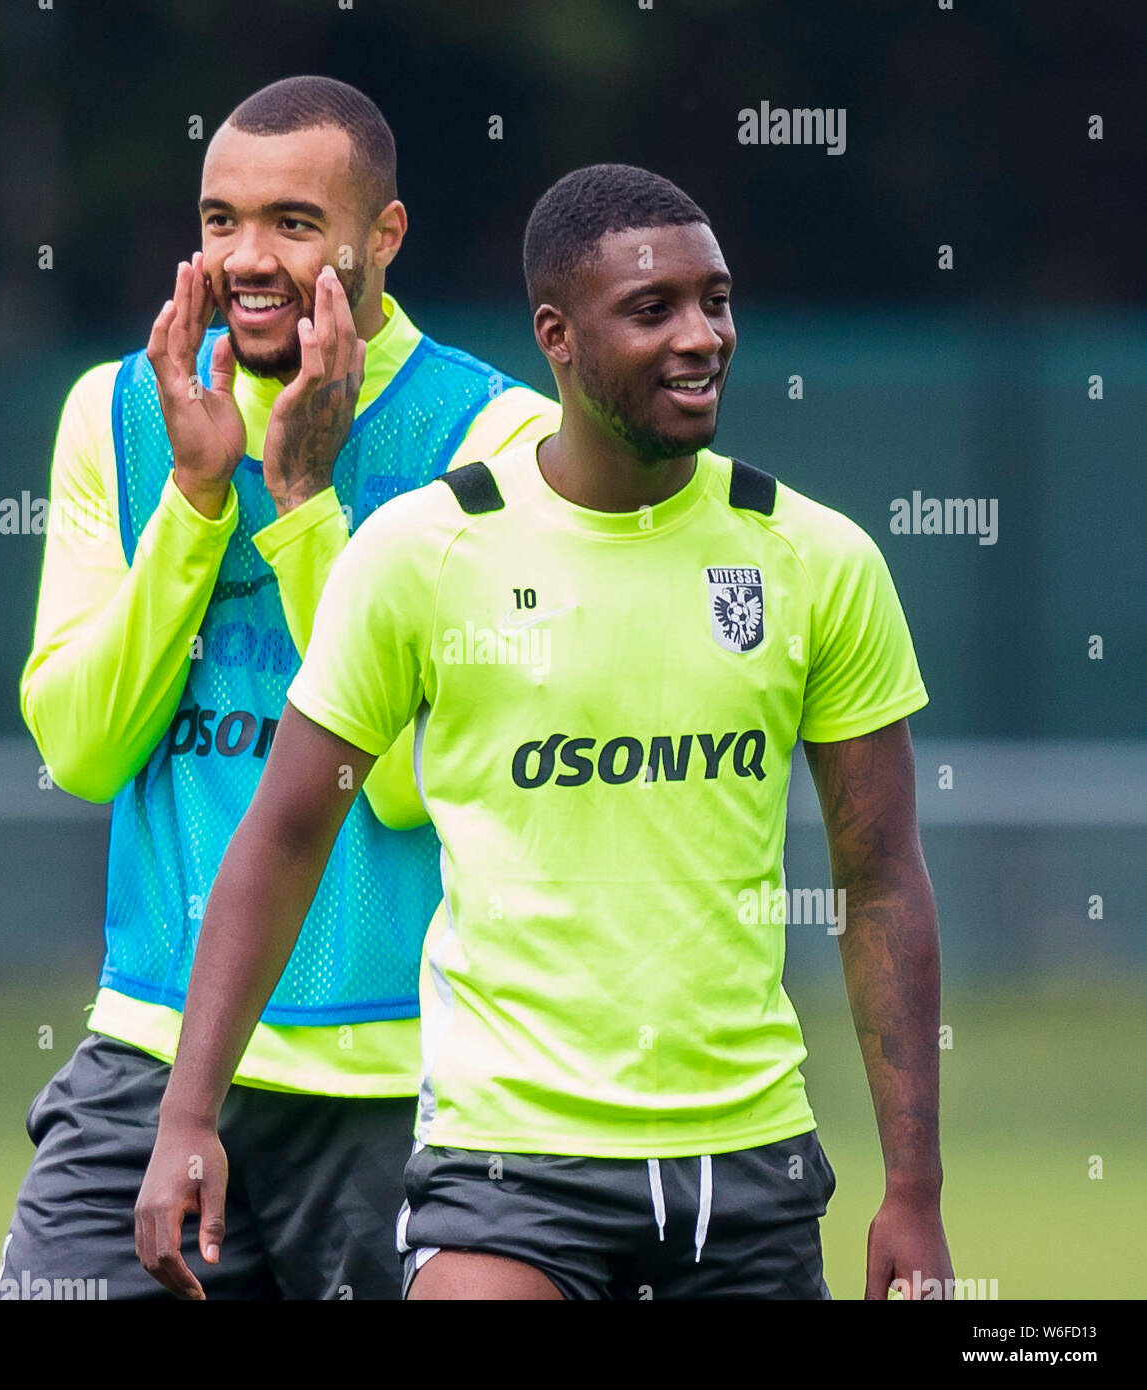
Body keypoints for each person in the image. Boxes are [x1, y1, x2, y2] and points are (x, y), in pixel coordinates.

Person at [135, 163, 952, 1301]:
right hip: (505, 1162)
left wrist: (913, 1190)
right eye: (653, 309)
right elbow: (280, 839)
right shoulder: (426, 551)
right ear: (557, 335)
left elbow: (880, 879)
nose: (701, 336)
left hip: (746, 1162)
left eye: (714, 301)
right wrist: (189, 1113)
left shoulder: (817, 559)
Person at [0, 75, 557, 1301]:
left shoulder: (497, 438)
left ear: (383, 238)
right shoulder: (117, 411)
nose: (248, 258)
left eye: (294, 224)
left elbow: (413, 787)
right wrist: (197, 510)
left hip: (405, 1088)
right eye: (218, 222)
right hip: (151, 1051)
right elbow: (86, 751)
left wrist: (305, 513)